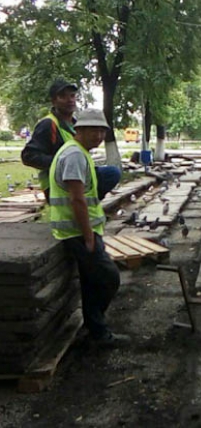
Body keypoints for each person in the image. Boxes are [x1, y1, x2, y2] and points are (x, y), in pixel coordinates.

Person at [49, 108, 130, 347]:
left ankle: (94, 329)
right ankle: (97, 330)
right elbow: (77, 199)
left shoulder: (79, 152)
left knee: (91, 280)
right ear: (79, 130)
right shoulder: (74, 155)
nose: (98, 135)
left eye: (102, 131)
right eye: (93, 130)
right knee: (108, 278)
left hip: (81, 230)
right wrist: (88, 237)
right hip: (76, 232)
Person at [21, 78, 121, 201]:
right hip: (57, 182)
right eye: (63, 96)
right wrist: (62, 163)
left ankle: (87, 204)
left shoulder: (76, 124)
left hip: (78, 175)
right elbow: (28, 156)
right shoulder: (48, 124)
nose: (70, 100)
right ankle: (84, 204)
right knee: (110, 173)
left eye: (72, 96)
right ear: (54, 101)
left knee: (112, 173)